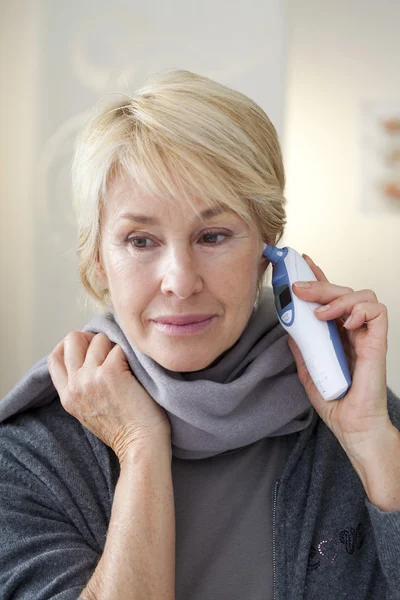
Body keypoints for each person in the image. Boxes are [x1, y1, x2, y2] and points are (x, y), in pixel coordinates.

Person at [0, 69, 399, 600]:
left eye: (213, 236)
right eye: (140, 241)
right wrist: (139, 447)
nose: (181, 282)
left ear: (267, 247)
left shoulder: (359, 416)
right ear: (98, 258)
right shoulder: (31, 456)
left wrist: (374, 442)